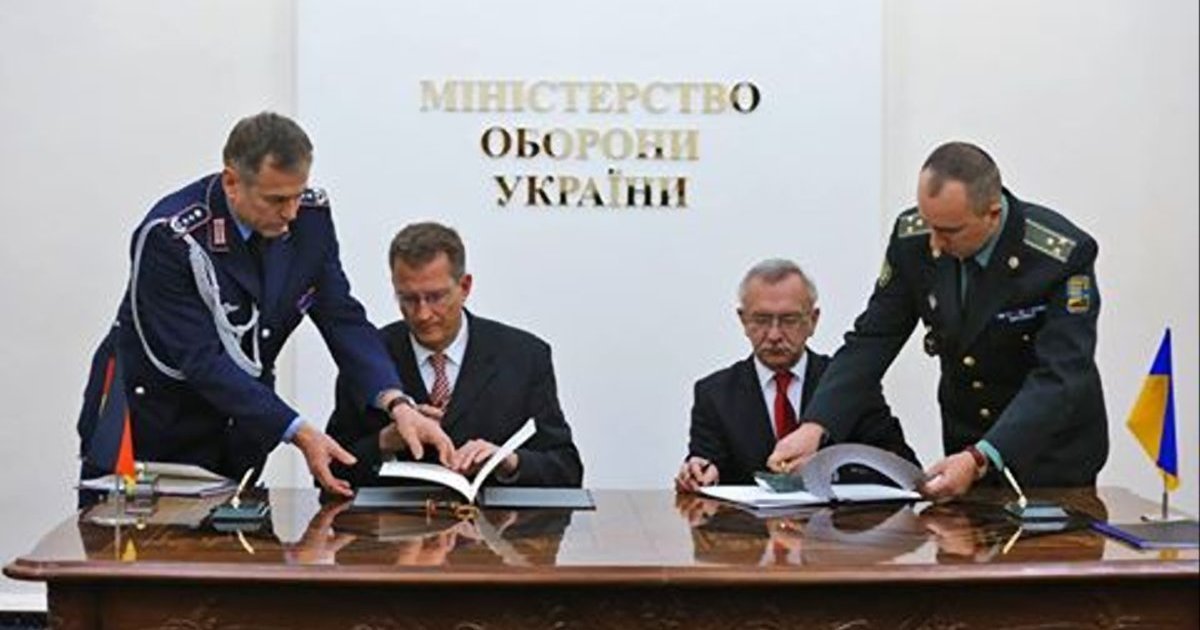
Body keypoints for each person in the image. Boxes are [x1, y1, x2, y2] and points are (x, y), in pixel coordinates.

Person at [76, 112, 453, 498]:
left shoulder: (310, 220)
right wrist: (300, 432)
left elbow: (342, 317)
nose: (291, 212)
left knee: (235, 534)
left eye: (297, 194)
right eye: (276, 200)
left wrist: (396, 402)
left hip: (238, 430)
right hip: (150, 430)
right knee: (131, 538)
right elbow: (201, 360)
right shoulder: (172, 237)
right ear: (232, 183)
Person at [769, 141, 1108, 500]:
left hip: (1050, 453)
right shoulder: (913, 239)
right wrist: (817, 425)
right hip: (964, 442)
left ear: (992, 214)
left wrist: (983, 455)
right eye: (929, 224)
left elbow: (1060, 374)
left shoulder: (1059, 256)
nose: (934, 243)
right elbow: (873, 339)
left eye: (948, 231)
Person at [326, 221, 583, 488]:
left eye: (436, 297)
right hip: (395, 514)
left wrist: (508, 461)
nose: (423, 314)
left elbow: (566, 470)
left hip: (492, 514)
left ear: (465, 286)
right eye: (408, 299)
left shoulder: (524, 356)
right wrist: (383, 442)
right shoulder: (366, 357)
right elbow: (329, 471)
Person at [676, 259, 918, 492]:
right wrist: (699, 472)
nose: (774, 335)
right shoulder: (714, 393)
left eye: (789, 320)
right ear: (743, 321)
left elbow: (902, 466)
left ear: (813, 320)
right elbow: (707, 461)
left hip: (834, 519)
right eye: (761, 320)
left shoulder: (850, 385)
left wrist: (827, 471)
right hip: (748, 521)